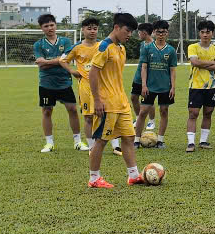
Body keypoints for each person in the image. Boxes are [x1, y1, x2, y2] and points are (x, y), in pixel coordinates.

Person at [86, 13, 145, 188]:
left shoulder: (121, 48)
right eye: (127, 30)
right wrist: (97, 100)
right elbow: (93, 73)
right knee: (101, 141)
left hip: (121, 102)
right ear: (116, 27)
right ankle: (94, 178)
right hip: (107, 103)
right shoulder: (104, 47)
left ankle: (133, 175)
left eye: (132, 32)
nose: (129, 35)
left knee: (128, 137)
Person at [33, 13, 84, 153]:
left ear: (56, 25)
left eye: (52, 25)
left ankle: (78, 141)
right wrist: (58, 61)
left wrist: (48, 62)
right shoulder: (39, 44)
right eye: (46, 26)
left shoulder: (66, 42)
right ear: (41, 28)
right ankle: (49, 143)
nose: (50, 28)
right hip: (46, 83)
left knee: (73, 109)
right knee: (47, 111)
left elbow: (65, 60)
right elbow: (40, 65)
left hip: (64, 82)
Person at [135, 20, 177, 146]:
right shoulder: (147, 48)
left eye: (163, 32)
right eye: (158, 32)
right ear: (154, 32)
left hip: (165, 87)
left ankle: (160, 140)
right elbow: (144, 68)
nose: (161, 34)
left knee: (164, 111)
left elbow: (173, 70)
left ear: (167, 33)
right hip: (150, 87)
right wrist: (143, 85)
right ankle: (136, 140)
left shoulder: (170, 50)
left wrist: (173, 87)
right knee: (143, 112)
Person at [185, 20, 215, 152]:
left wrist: (202, 63)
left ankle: (203, 141)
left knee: (208, 113)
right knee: (193, 113)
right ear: (199, 33)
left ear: (212, 33)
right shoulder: (193, 47)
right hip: (195, 85)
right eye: (202, 32)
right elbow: (194, 62)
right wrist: (212, 62)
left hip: (211, 87)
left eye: (208, 32)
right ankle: (191, 143)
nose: (205, 35)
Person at [62, 17, 102, 145]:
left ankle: (115, 146)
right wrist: (72, 71)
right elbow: (62, 60)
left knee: (105, 115)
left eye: (95, 29)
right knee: (88, 117)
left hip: (102, 85)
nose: (92, 31)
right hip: (85, 86)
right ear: (83, 30)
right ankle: (91, 146)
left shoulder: (103, 46)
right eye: (89, 28)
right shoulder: (77, 47)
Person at [128, 22, 154, 134]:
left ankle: (152, 121)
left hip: (149, 77)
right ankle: (139, 117)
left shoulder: (154, 46)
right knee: (134, 97)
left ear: (144, 32)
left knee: (148, 100)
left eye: (139, 32)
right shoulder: (143, 44)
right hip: (138, 75)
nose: (138, 34)